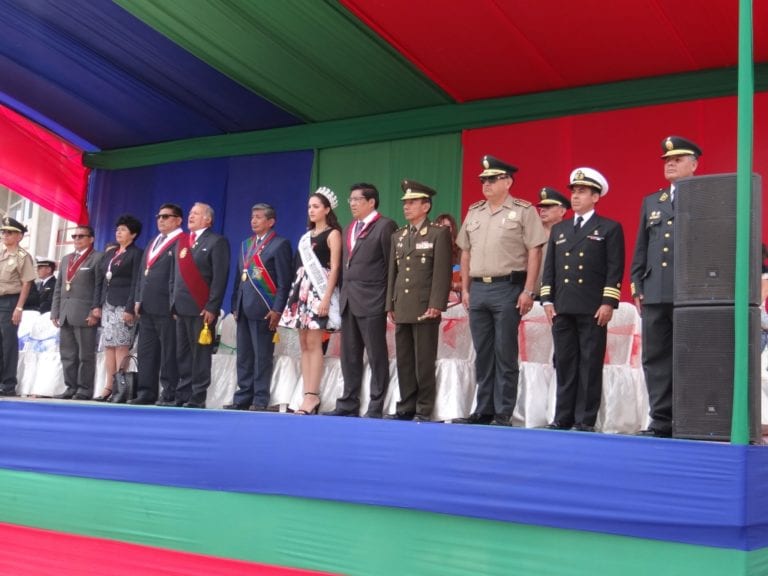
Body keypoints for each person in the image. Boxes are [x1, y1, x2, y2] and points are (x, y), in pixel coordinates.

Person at [455, 155, 547, 426]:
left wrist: (529, 290)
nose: (486, 184)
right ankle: (483, 408)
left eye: (492, 179)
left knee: (504, 351)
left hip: (508, 287)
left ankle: (503, 410)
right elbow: (465, 253)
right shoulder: (475, 211)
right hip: (478, 289)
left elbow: (535, 252)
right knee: (482, 352)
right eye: (483, 180)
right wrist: (466, 289)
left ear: (507, 181)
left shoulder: (523, 210)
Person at [541, 168, 625, 432]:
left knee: (589, 364)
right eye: (573, 192)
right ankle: (562, 416)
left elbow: (614, 268)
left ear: (596, 196)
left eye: (582, 192)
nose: (575, 197)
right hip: (563, 306)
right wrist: (547, 300)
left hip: (591, 307)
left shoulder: (609, 228)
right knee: (564, 362)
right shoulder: (560, 229)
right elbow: (550, 269)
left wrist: (608, 302)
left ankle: (584, 419)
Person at [631, 136, 702, 437]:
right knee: (656, 359)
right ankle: (660, 421)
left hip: (691, 292)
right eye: (666, 160)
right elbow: (642, 247)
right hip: (656, 290)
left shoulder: (705, 196)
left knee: (691, 356)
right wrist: (637, 285)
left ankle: (690, 420)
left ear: (694, 164)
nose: (669, 163)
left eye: (677, 159)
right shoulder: (653, 201)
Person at [324, 183, 398, 418]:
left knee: (376, 355)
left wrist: (389, 302)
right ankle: (348, 402)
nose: (352, 203)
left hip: (373, 300)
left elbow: (391, 267)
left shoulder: (385, 226)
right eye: (350, 199)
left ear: (371, 202)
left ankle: (376, 404)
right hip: (349, 300)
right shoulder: (349, 228)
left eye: (357, 199)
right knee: (350, 355)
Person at [385, 180, 452, 422]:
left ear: (426, 206)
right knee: (404, 360)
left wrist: (436, 303)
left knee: (423, 360)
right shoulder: (399, 236)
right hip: (402, 304)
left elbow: (442, 273)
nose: (407, 206)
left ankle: (424, 408)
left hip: (425, 306)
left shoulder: (438, 233)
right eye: (405, 203)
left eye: (412, 202)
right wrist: (389, 303)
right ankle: (406, 406)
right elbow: (394, 272)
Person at [279, 188, 342, 415]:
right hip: (302, 291)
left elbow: (335, 267)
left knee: (315, 344)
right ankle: (306, 393)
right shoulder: (305, 237)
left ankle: (312, 395)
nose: (311, 210)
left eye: (316, 206)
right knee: (303, 344)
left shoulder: (333, 234)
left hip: (319, 290)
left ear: (327, 209)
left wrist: (326, 298)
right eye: (309, 207)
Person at [225, 203, 291, 411]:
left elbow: (284, 281)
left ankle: (260, 398)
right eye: (252, 217)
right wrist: (235, 303)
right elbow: (239, 278)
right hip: (243, 307)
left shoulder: (280, 244)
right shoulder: (246, 245)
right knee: (244, 355)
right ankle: (243, 396)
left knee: (262, 355)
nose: (253, 220)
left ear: (271, 222)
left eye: (259, 217)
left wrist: (278, 309)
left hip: (265, 309)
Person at [171, 202, 230, 409]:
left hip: (201, 308)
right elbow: (175, 276)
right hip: (181, 308)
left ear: (208, 219)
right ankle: (183, 392)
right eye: (190, 213)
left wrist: (213, 306)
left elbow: (219, 278)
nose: (191, 216)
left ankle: (197, 396)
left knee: (200, 354)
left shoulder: (217, 242)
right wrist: (173, 304)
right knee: (183, 353)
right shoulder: (183, 242)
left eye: (196, 213)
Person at [133, 204, 184, 405]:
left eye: (166, 216)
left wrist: (175, 304)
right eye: (158, 216)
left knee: (168, 352)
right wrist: (138, 298)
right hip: (147, 306)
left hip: (166, 306)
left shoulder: (182, 241)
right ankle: (146, 391)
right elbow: (142, 273)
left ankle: (169, 392)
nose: (160, 220)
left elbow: (178, 276)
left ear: (178, 220)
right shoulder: (154, 241)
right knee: (146, 351)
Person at [95, 215, 143, 402]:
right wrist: (96, 305)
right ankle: (108, 385)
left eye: (123, 229)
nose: (118, 232)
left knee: (121, 345)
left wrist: (130, 308)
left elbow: (135, 283)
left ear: (133, 234)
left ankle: (120, 386)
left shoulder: (136, 254)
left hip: (124, 305)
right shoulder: (110, 254)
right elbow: (100, 280)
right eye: (117, 229)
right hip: (107, 305)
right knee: (108, 346)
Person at [51, 225, 103, 400]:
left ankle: (84, 389)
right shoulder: (66, 259)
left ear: (91, 239)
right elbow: (59, 287)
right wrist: (55, 311)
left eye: (81, 236)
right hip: (65, 312)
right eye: (74, 236)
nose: (77, 239)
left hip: (85, 313)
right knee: (67, 353)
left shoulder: (97, 258)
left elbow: (99, 287)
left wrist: (94, 310)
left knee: (85, 355)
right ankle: (70, 387)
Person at [0, 217, 35, 396]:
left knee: (8, 344)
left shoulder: (23, 256)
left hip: (10, 301)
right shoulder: (1, 253)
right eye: (3, 231)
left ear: (19, 236)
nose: (5, 235)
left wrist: (19, 307)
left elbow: (26, 283)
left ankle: (8, 384)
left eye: (9, 232)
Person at [535, 187, 570, 293]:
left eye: (548, 206)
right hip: (532, 295)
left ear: (562, 211)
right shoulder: (531, 232)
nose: (542, 210)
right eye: (541, 207)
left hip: (561, 294)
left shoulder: (571, 233)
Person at [434, 212, 462, 302]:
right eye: (440, 227)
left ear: (453, 229)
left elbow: (470, 282)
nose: (443, 230)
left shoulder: (461, 252)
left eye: (447, 227)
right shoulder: (431, 252)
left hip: (458, 301)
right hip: (436, 300)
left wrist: (453, 285)